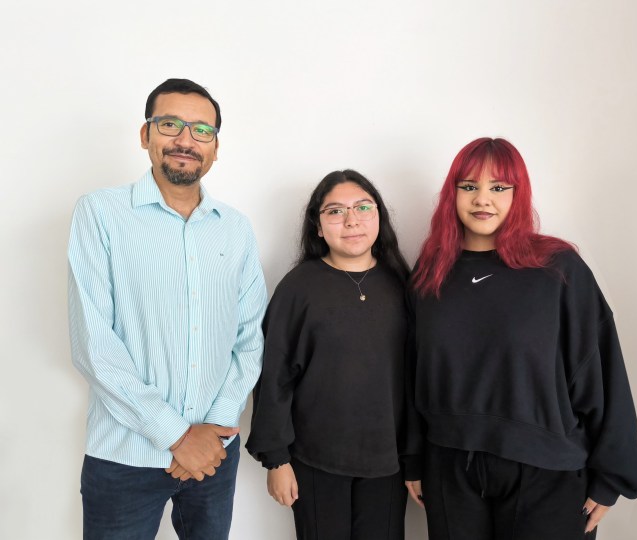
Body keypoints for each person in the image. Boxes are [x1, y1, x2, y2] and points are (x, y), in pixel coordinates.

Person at [404, 137, 637, 540]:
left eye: (499, 187)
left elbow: (600, 367)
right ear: (452, 194)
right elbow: (411, 372)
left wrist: (612, 476)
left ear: (518, 194)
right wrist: (413, 457)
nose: (483, 199)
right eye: (469, 186)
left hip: (546, 470)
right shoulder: (430, 274)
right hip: (450, 468)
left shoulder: (557, 268)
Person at [68, 78, 267, 539]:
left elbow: (249, 336)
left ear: (215, 147)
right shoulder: (100, 213)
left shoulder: (235, 228)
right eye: (170, 124)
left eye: (202, 130)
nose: (186, 140)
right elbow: (93, 344)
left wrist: (214, 428)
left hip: (216, 454)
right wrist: (177, 436)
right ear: (146, 135)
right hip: (125, 458)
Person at [246, 170, 410, 539]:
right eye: (335, 211)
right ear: (318, 227)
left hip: (388, 461)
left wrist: (414, 460)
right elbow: (274, 377)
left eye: (363, 208)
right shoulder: (298, 289)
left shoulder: (402, 284)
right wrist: (277, 460)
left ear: (379, 216)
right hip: (315, 460)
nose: (351, 220)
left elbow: (416, 377)